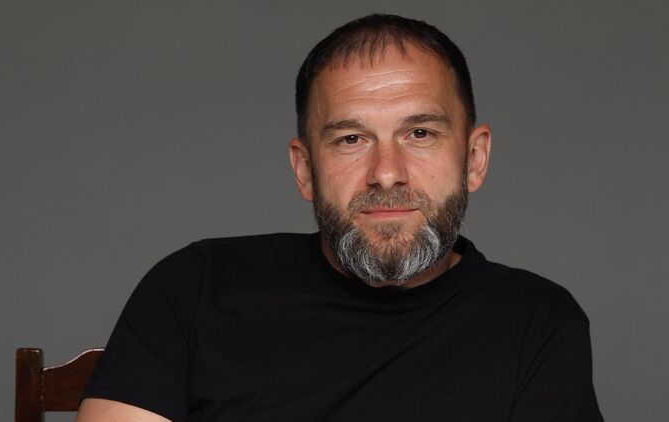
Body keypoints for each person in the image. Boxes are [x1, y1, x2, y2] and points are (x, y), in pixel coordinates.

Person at [75, 14, 603, 422]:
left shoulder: (538, 324)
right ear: (305, 170)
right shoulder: (196, 287)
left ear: (474, 159)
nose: (387, 173)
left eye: (420, 133)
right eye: (351, 139)